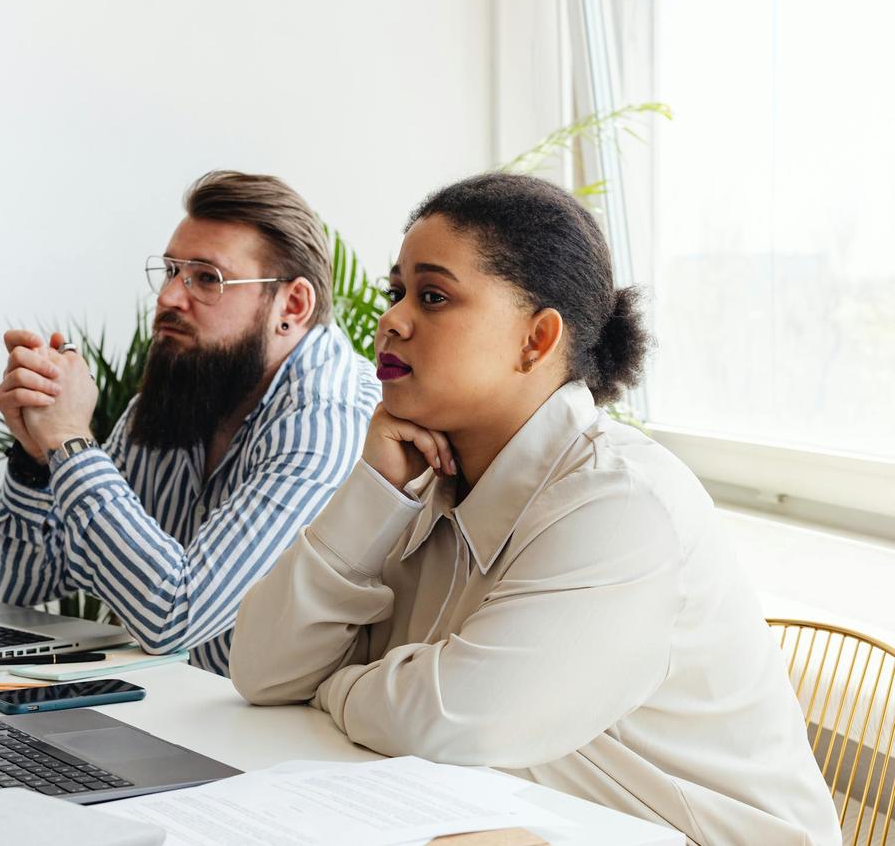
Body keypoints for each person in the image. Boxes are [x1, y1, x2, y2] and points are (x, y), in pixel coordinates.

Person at [230, 173, 841, 844]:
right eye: (396, 291)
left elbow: (450, 719)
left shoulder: (621, 504)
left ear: (537, 339)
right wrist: (371, 487)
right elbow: (261, 669)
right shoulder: (426, 479)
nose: (392, 319)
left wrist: (335, 685)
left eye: (433, 296)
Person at [0, 170, 380, 676]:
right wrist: (36, 456)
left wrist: (69, 440)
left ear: (292, 305)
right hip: (177, 712)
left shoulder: (327, 422)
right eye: (172, 271)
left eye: (206, 278)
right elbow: (25, 584)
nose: (170, 297)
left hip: (291, 742)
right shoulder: (186, 386)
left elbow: (176, 615)